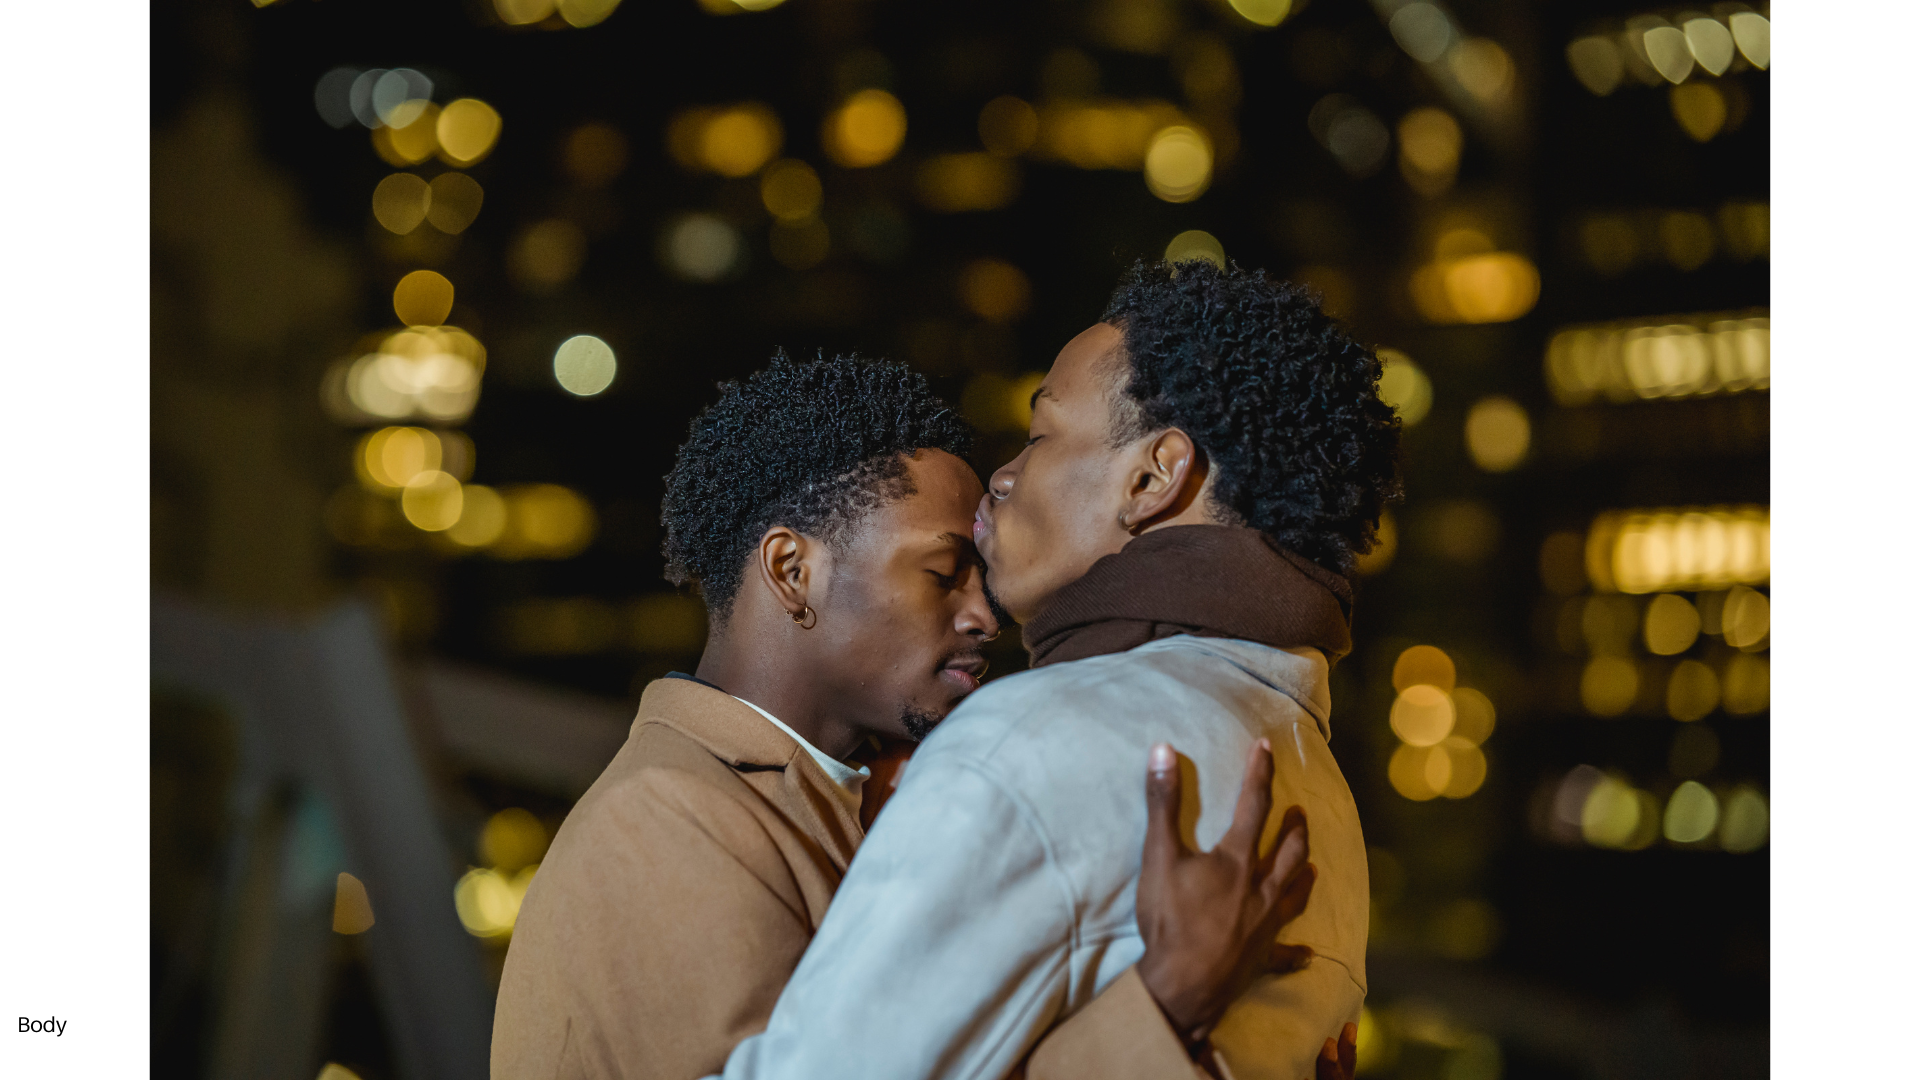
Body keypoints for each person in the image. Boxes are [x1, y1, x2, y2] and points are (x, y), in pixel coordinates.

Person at [490, 353, 1331, 1080]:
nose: (984, 615)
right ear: (792, 570)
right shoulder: (669, 819)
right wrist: (1164, 1006)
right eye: (942, 573)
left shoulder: (856, 803)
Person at [709, 259, 1401, 1080]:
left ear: (1153, 477)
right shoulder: (1320, 788)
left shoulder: (1032, 741)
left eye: (1040, 436)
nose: (1002, 477)